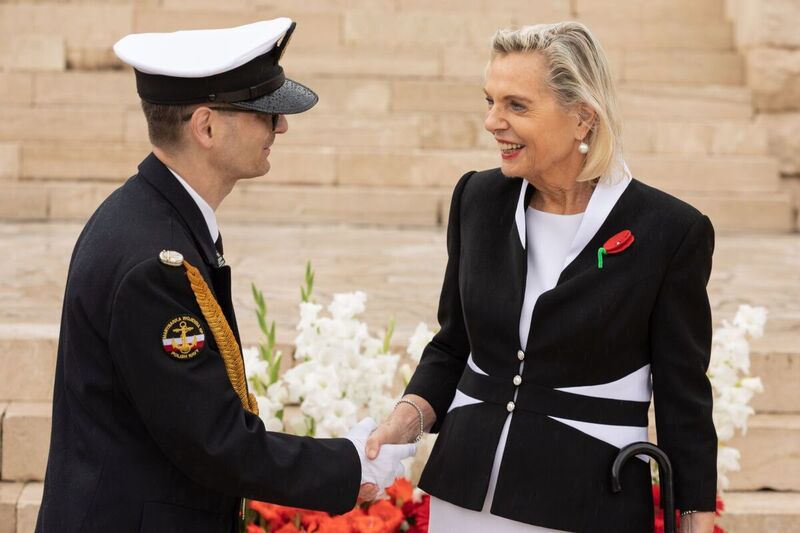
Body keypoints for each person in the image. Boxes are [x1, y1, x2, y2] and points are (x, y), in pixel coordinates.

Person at [35, 18, 414, 533]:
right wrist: (352, 464)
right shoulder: (154, 261)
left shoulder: (152, 217)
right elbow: (213, 442)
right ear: (207, 127)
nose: (280, 127)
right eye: (264, 113)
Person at [367, 22, 717, 533]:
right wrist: (403, 421)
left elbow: (683, 395)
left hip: (588, 502)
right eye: (489, 101)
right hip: (463, 499)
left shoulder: (670, 230)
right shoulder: (477, 199)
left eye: (516, 105)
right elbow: (453, 345)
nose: (492, 121)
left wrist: (694, 518)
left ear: (582, 118)